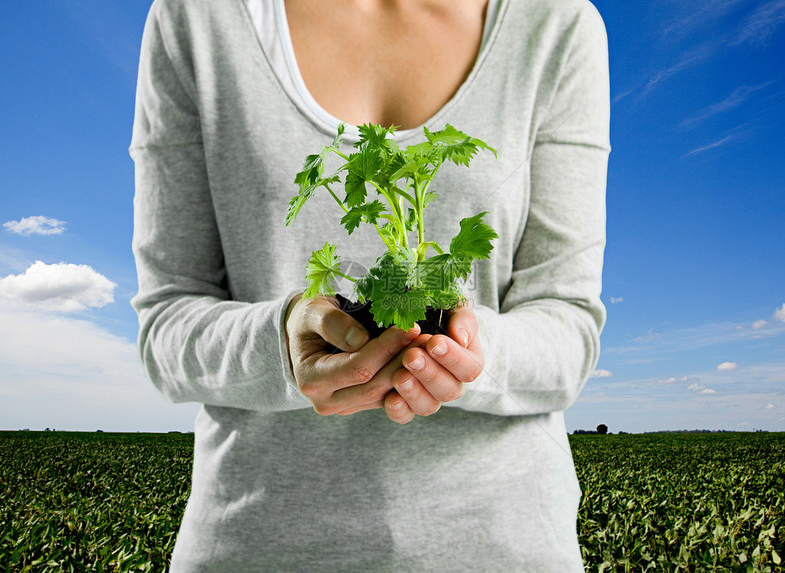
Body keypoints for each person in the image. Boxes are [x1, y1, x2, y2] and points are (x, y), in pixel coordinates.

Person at [130, 0, 609, 570]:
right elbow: (165, 325)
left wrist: (468, 354)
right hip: (256, 544)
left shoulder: (555, 24)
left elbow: (569, 325)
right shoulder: (198, 18)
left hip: (504, 546)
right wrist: (281, 341)